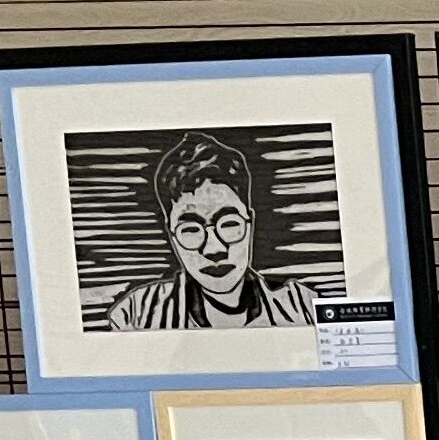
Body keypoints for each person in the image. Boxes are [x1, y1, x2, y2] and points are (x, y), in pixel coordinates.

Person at [107, 130, 319, 331]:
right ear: (172, 236)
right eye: (191, 230)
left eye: (229, 224)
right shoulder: (136, 315)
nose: (214, 249)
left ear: (250, 224)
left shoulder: (302, 307)